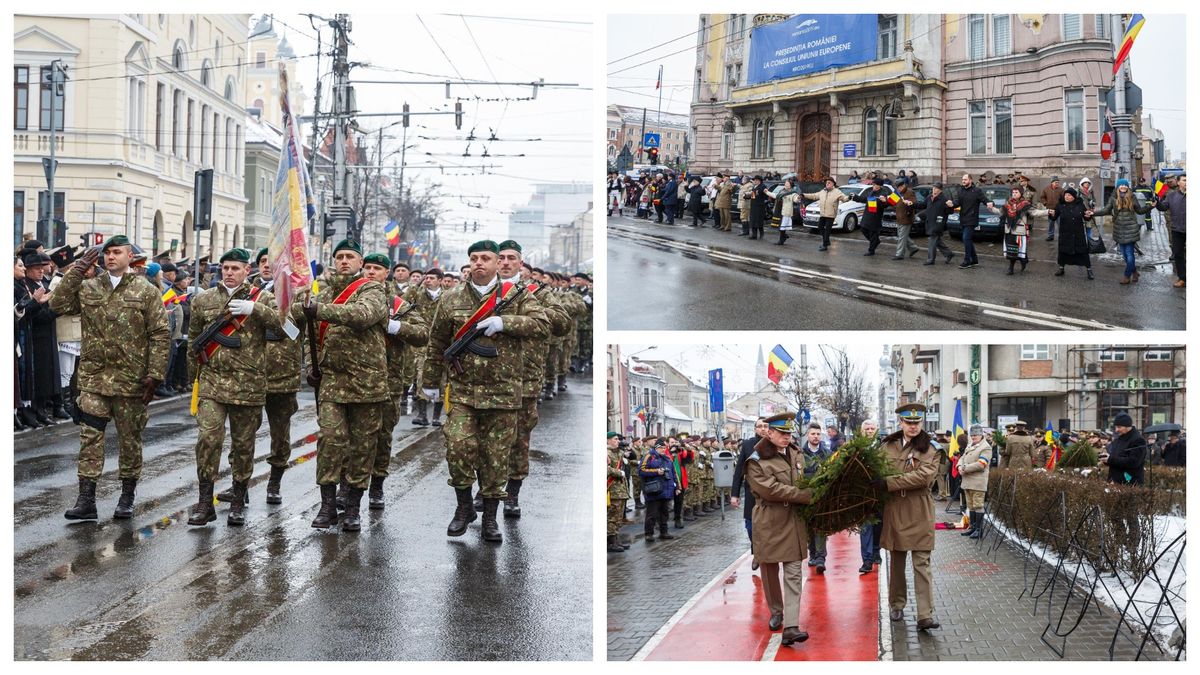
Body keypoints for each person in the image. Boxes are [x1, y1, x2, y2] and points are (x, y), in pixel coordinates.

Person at [422, 240, 549, 544]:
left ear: (497, 264)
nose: (479, 263)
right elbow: (437, 341)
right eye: (474, 258)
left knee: (496, 458)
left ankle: (491, 518)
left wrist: (505, 322)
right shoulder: (451, 298)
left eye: (486, 258)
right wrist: (429, 380)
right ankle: (464, 507)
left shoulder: (516, 296)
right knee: (458, 446)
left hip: (504, 393)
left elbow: (543, 325)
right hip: (464, 391)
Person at [49, 237, 170, 520]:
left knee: (129, 440)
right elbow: (57, 304)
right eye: (107, 253)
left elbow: (160, 334)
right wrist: (78, 269)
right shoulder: (90, 287)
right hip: (94, 378)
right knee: (89, 438)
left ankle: (126, 496)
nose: (111, 257)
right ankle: (86, 499)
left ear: (130, 256)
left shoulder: (146, 290)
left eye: (117, 252)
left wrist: (155, 374)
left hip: (131, 380)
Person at [293, 239, 389, 532]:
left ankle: (352, 508)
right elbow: (308, 332)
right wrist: (312, 364)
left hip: (367, 382)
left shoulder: (372, 289)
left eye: (350, 257)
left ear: (360, 263)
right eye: (340, 256)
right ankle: (326, 504)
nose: (344, 261)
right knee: (331, 440)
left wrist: (318, 309)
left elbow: (362, 316)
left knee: (362, 447)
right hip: (333, 380)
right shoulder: (320, 290)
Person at [184, 248, 281, 527]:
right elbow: (194, 342)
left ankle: (238, 499)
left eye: (235, 268)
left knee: (242, 445)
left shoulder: (263, 298)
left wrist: (256, 309)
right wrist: (195, 380)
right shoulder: (204, 299)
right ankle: (205, 502)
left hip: (247, 384)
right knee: (208, 439)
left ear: (246, 269)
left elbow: (284, 324)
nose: (229, 273)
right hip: (213, 383)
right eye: (225, 268)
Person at [361, 252, 427, 510]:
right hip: (356, 380)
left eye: (377, 268)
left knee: (383, 434)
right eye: (367, 267)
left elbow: (422, 333)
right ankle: (348, 486)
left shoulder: (398, 304)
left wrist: (397, 327)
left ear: (386, 273)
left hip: (389, 379)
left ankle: (377, 484)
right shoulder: (351, 297)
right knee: (352, 437)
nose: (371, 272)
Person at [746, 412, 814, 646]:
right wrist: (804, 496)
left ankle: (792, 626)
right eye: (782, 433)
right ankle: (776, 610)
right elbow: (769, 490)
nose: (786, 437)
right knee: (770, 571)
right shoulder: (756, 460)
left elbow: (802, 479)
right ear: (769, 432)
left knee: (794, 572)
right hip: (769, 520)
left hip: (793, 519)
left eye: (789, 433)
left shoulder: (796, 452)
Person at [874, 403, 940, 631]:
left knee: (922, 562)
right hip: (895, 509)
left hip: (919, 508)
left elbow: (924, 477)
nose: (913, 426)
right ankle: (897, 604)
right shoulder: (887, 446)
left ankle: (925, 615)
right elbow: (876, 471)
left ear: (922, 423)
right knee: (897, 561)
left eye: (917, 422)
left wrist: (889, 483)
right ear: (900, 422)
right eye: (909, 422)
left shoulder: (930, 448)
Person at [1092, 179, 1157, 284]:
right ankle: (1135, 272)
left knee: (1130, 254)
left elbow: (1139, 211)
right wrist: (1093, 213)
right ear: (1118, 187)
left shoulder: (1132, 197)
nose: (1123, 186)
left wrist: (1151, 206)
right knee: (1124, 254)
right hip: (1119, 229)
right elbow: (1105, 210)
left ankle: (1127, 276)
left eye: (1125, 185)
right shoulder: (1113, 198)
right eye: (1121, 185)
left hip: (1131, 228)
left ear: (1127, 187)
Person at [732, 418, 768, 569]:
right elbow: (740, 469)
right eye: (759, 426)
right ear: (755, 429)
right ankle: (756, 552)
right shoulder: (747, 444)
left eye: (765, 426)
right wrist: (735, 494)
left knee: (768, 525)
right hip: (751, 491)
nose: (763, 429)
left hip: (770, 491)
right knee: (750, 525)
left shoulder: (774, 443)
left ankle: (764, 554)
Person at [946, 173, 1000, 269]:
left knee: (966, 238)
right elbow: (957, 202)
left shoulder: (977, 191)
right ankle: (974, 260)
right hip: (963, 218)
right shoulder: (960, 190)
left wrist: (990, 203)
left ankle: (967, 261)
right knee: (968, 240)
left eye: (965, 179)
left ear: (970, 180)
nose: (963, 181)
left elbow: (985, 200)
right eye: (962, 179)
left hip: (972, 219)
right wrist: (951, 204)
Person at [1048, 187, 1095, 279]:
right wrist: (1052, 214)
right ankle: (1061, 268)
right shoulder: (1060, 205)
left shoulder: (1080, 205)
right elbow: (1054, 217)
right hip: (1065, 233)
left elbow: (1086, 217)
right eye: (1065, 195)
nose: (1066, 196)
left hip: (1078, 234)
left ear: (1073, 196)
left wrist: (1088, 215)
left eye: (1069, 195)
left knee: (1083, 252)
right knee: (1063, 252)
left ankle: (1089, 270)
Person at [999, 186, 1048, 275]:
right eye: (1013, 192)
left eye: (1016, 192)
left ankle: (1023, 260)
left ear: (1021, 193)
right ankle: (1011, 268)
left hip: (1019, 231)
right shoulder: (1007, 204)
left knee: (1020, 250)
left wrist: (1047, 211)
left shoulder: (1025, 204)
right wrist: (990, 208)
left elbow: (1035, 212)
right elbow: (1000, 212)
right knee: (1011, 251)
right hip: (1009, 230)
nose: (1014, 194)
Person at [956, 425, 992, 539]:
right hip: (967, 481)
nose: (973, 437)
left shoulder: (985, 447)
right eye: (971, 435)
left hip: (978, 482)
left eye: (975, 435)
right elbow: (962, 457)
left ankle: (979, 530)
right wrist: (959, 466)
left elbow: (981, 464)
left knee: (978, 506)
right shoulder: (970, 445)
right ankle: (972, 527)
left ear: (981, 435)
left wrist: (964, 468)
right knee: (970, 506)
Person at [639, 438, 678, 542]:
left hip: (665, 490)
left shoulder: (667, 459)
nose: (664, 449)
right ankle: (649, 534)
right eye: (662, 448)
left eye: (665, 448)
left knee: (664, 513)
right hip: (654, 490)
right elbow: (641, 470)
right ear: (657, 447)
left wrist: (677, 487)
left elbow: (673, 473)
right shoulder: (649, 456)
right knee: (652, 514)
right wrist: (656, 471)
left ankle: (664, 532)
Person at [857, 420, 883, 574]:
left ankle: (875, 551)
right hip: (863, 495)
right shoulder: (856, 448)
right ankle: (866, 560)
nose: (869, 431)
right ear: (862, 431)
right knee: (866, 528)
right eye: (867, 428)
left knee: (879, 526)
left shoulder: (882, 447)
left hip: (880, 495)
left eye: (872, 428)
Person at [802, 177, 849, 251]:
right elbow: (814, 196)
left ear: (833, 184)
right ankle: (826, 242)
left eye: (829, 182)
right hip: (823, 214)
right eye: (826, 182)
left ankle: (825, 245)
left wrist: (849, 197)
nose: (827, 184)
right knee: (820, 227)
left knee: (827, 230)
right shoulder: (823, 191)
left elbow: (844, 198)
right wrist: (804, 195)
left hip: (830, 215)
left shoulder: (837, 192)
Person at [1156, 174, 1186, 288]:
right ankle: (1182, 278)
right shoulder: (1171, 194)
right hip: (1176, 227)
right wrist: (1157, 203)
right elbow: (1163, 206)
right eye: (1184, 180)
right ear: (1179, 182)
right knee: (1178, 254)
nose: (1187, 182)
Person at [1101, 413, 1147, 486]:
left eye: (1119, 427)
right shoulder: (1119, 438)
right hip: (1114, 482)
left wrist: (1110, 459)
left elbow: (1134, 462)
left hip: (1129, 483)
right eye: (1115, 427)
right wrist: (1106, 459)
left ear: (1128, 426)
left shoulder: (1138, 440)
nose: (1116, 430)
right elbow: (1114, 458)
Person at [850, 178, 891, 256]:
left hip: (875, 217)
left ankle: (871, 250)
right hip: (868, 214)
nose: (874, 186)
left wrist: (884, 201)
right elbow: (865, 199)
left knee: (873, 233)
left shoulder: (883, 193)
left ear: (879, 186)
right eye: (873, 184)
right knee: (863, 228)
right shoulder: (872, 192)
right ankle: (876, 241)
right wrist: (855, 197)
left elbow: (886, 205)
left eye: (875, 185)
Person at [921, 183, 956, 266]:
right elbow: (922, 205)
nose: (934, 190)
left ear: (940, 190)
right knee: (937, 241)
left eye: (936, 188)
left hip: (938, 223)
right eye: (933, 188)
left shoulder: (944, 199)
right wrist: (911, 204)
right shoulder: (929, 197)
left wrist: (951, 207)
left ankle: (930, 259)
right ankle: (949, 254)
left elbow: (950, 211)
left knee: (932, 240)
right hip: (930, 222)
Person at [607, 432, 630, 553]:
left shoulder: (618, 452)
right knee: (612, 516)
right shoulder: (606, 453)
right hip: (613, 489)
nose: (618, 441)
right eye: (615, 439)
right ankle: (610, 542)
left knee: (618, 517)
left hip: (621, 489)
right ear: (608, 440)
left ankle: (616, 539)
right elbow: (606, 469)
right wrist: (618, 473)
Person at [891, 179, 920, 260]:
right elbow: (891, 202)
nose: (898, 189)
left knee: (901, 237)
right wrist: (885, 200)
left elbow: (914, 203)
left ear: (903, 185)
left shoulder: (909, 192)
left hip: (906, 218)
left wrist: (909, 203)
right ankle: (913, 248)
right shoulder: (897, 193)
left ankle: (899, 254)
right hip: (899, 217)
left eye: (899, 187)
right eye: (897, 187)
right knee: (902, 236)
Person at [776, 179, 800, 245]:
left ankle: (781, 240)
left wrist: (798, 198)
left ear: (790, 185)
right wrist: (767, 192)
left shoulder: (793, 193)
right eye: (785, 183)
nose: (786, 185)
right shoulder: (782, 191)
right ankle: (784, 236)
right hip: (780, 210)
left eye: (787, 184)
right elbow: (776, 195)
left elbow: (795, 198)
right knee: (779, 226)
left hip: (786, 212)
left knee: (782, 227)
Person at [1041, 177, 1065, 241]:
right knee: (1051, 223)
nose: (1057, 183)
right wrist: (1045, 203)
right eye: (1055, 182)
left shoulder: (1061, 190)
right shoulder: (1046, 189)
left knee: (1060, 224)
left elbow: (1064, 199)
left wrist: (1062, 206)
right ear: (1052, 182)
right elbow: (1042, 197)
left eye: (1058, 182)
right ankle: (1050, 236)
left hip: (1058, 210)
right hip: (1050, 209)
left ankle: (1061, 236)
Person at [747, 176, 769, 240]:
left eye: (756, 180)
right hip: (754, 206)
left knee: (759, 221)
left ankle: (761, 234)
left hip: (760, 206)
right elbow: (753, 196)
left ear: (759, 180)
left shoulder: (762, 186)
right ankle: (754, 235)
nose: (754, 181)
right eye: (754, 180)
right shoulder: (754, 187)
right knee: (753, 221)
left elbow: (765, 195)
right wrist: (746, 196)